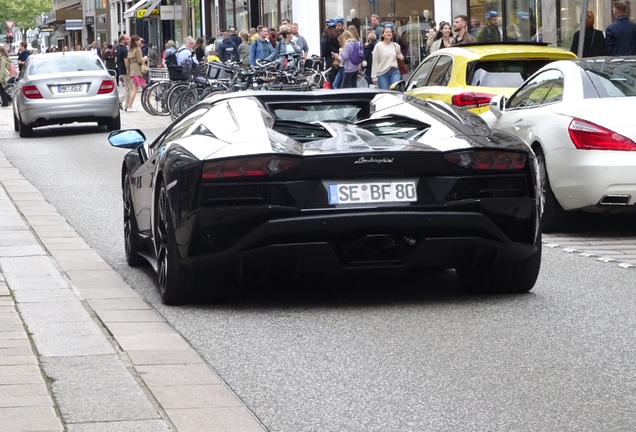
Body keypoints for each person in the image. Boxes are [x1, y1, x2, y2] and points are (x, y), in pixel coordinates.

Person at [371, 25, 404, 89]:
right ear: (382, 35)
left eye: (390, 32)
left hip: (395, 71)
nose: (389, 33)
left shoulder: (396, 45)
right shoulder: (378, 46)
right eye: (386, 32)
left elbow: (400, 55)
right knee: (385, 92)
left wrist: (400, 57)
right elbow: (375, 62)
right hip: (382, 73)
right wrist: (374, 77)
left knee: (395, 91)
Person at [126, 35, 147, 112]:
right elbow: (140, 61)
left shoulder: (130, 50)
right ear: (135, 41)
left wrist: (128, 73)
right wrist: (145, 58)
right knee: (135, 89)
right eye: (138, 40)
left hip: (132, 70)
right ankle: (130, 106)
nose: (140, 42)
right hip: (137, 70)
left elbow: (127, 64)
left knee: (136, 88)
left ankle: (129, 106)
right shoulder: (138, 49)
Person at [320, 20, 341, 86]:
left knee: (331, 75)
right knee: (339, 75)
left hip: (329, 57)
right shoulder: (338, 34)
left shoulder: (325, 35)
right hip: (338, 56)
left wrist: (323, 54)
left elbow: (323, 44)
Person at [115, 34, 131, 110]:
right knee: (128, 89)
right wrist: (129, 71)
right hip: (125, 71)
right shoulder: (124, 49)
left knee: (128, 88)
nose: (128, 41)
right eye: (127, 39)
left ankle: (120, 101)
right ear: (122, 40)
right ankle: (126, 106)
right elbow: (126, 61)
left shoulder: (118, 48)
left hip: (120, 70)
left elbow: (116, 60)